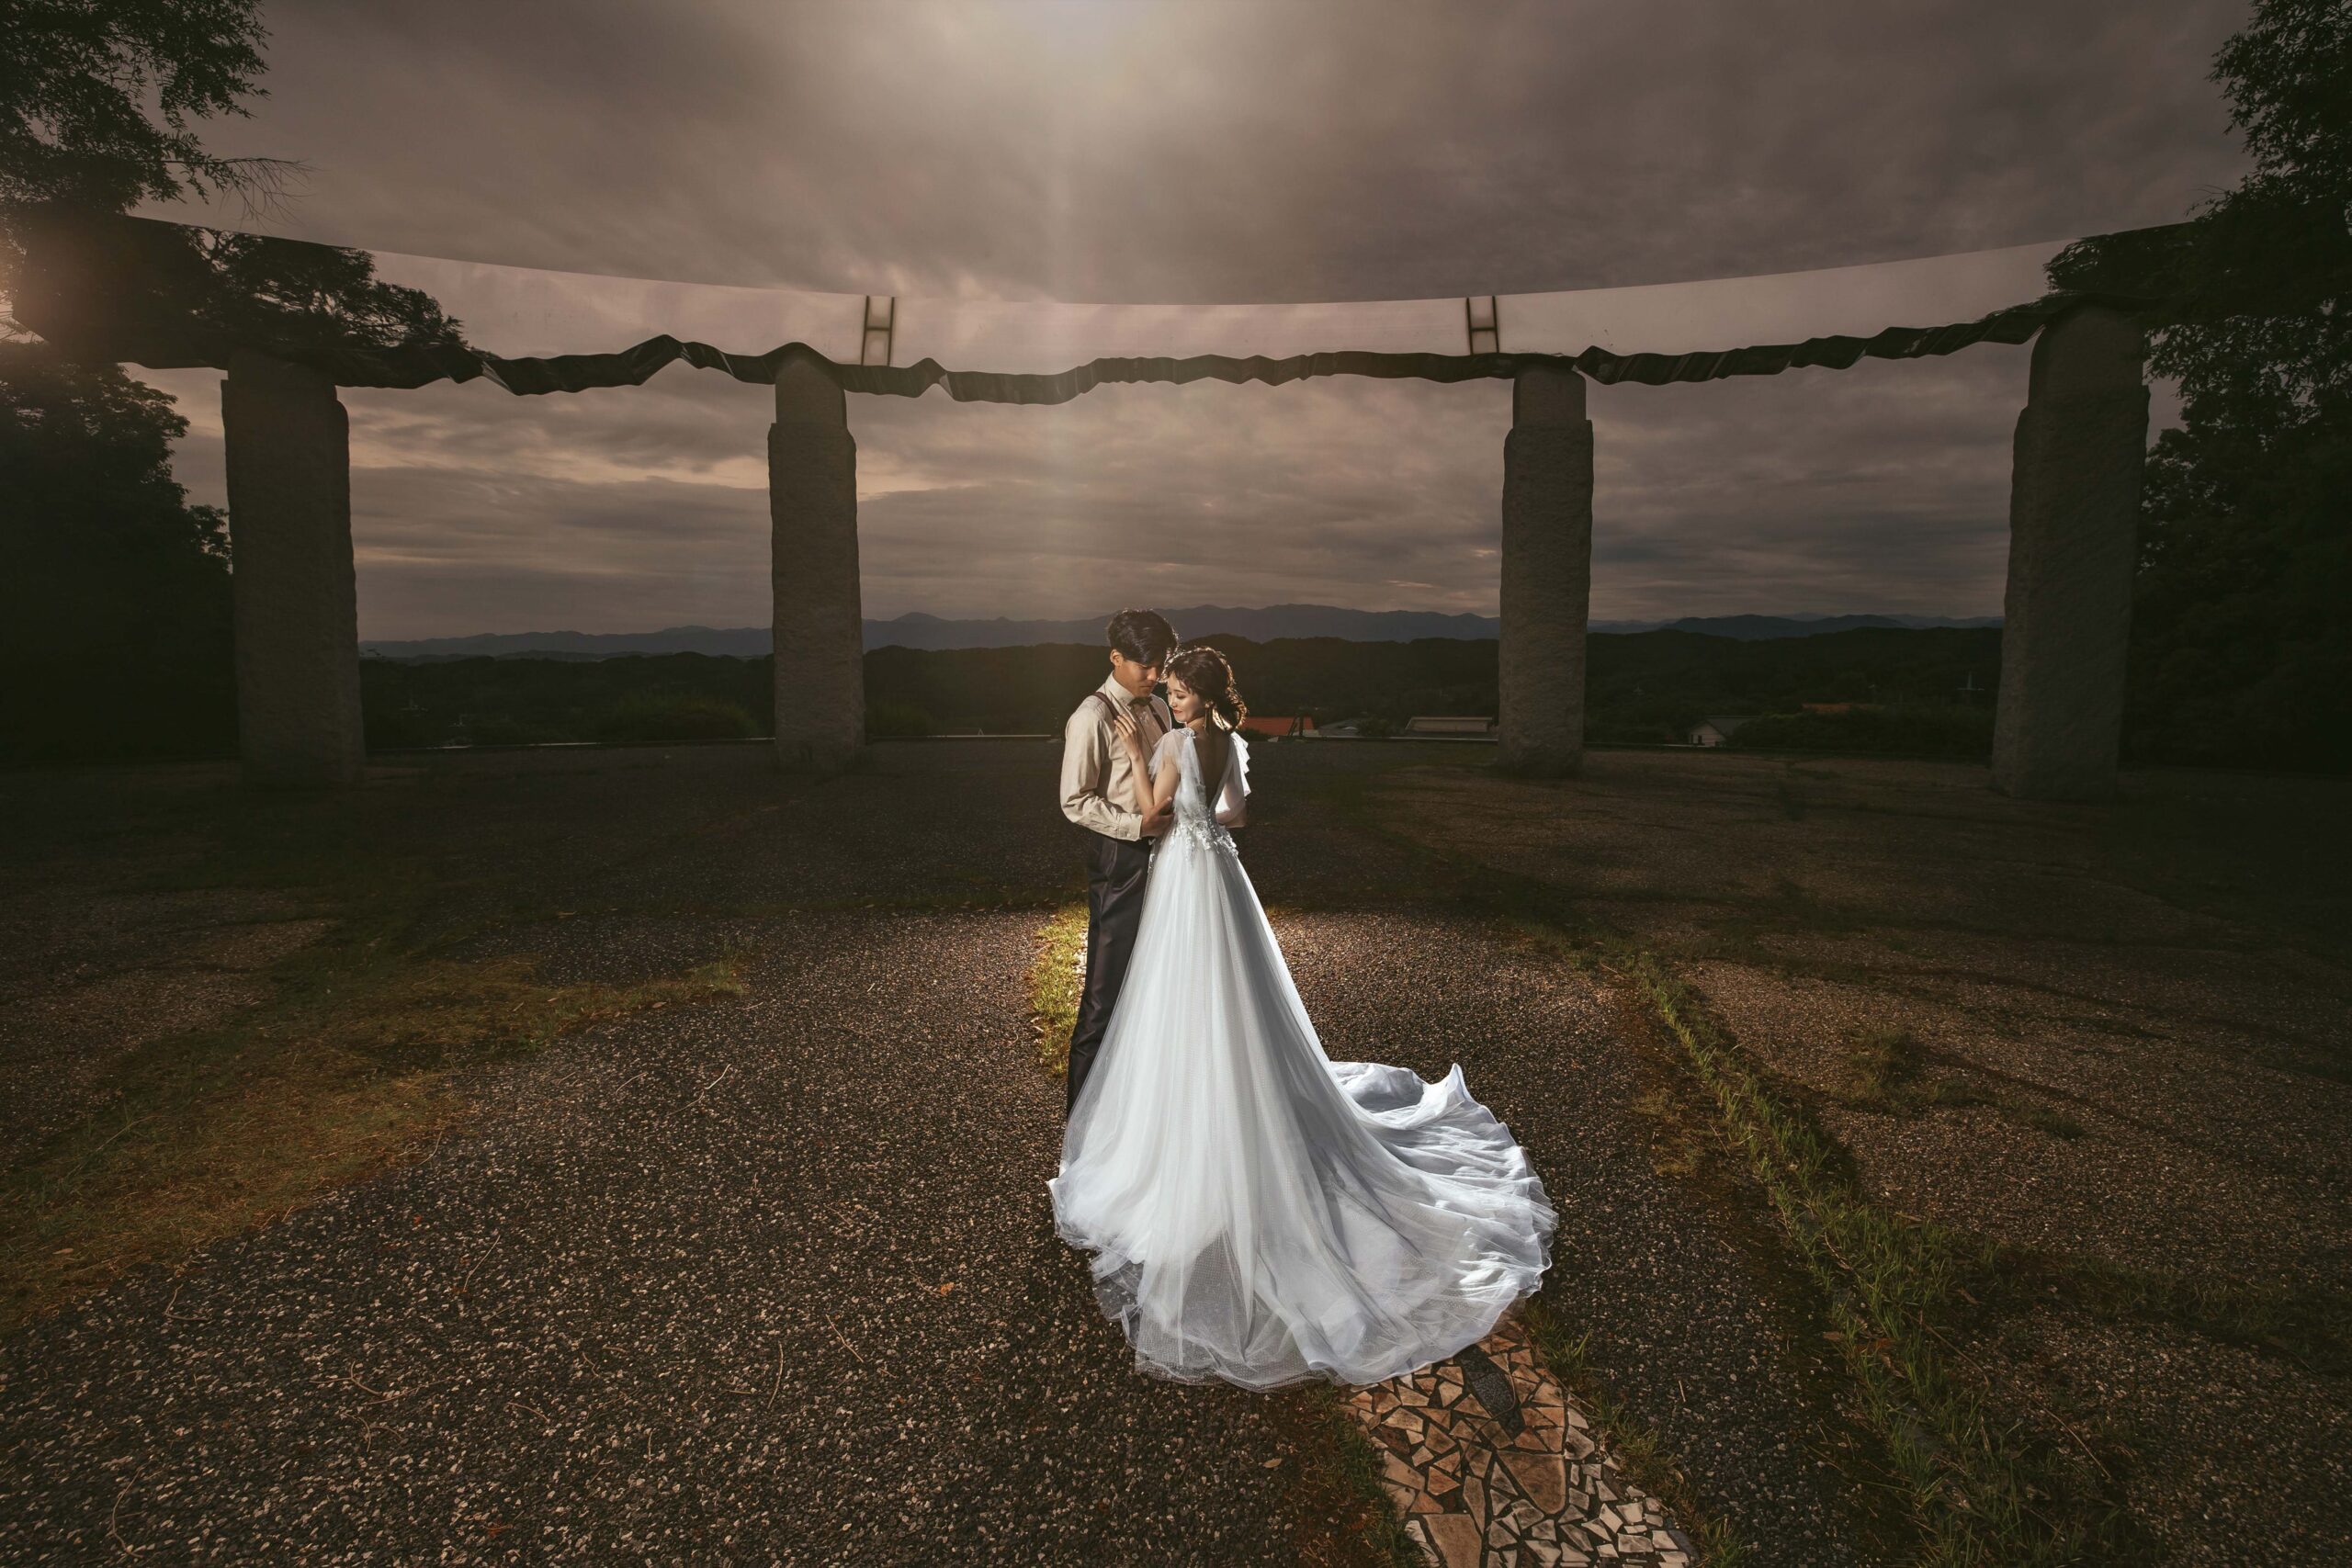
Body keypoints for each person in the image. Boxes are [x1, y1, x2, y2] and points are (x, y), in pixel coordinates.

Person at [1048, 644, 1557, 1389]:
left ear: (1200, 697)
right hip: (1222, 871)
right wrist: (1200, 811)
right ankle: (1237, 1095)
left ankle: (1196, 1122)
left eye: (1180, 692)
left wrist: (1134, 750)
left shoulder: (1174, 744)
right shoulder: (1227, 743)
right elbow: (1237, 813)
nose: (1172, 699)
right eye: (1172, 691)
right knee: (1235, 993)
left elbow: (1153, 815)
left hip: (1184, 874)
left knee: (1183, 992)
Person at [1057, 608, 1181, 1114]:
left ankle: (1139, 1113)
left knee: (1158, 985)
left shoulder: (1160, 709)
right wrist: (1136, 827)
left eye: (1160, 666)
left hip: (1170, 859)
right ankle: (1080, 1125)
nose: (1154, 676)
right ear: (1115, 658)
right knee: (1104, 995)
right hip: (1120, 859)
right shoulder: (1092, 716)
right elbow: (1074, 800)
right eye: (1144, 666)